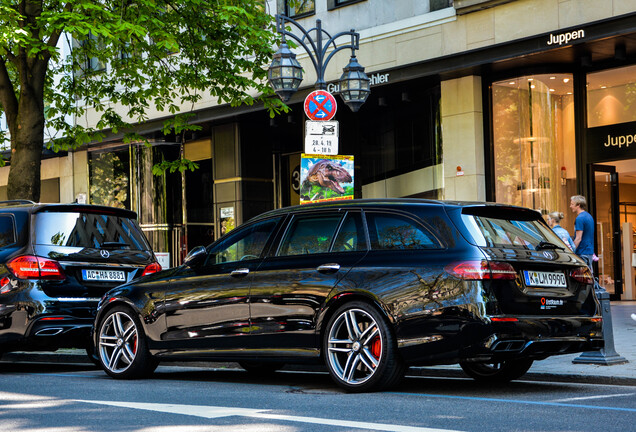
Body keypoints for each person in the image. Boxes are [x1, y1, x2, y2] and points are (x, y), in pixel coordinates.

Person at [570, 195, 595, 273]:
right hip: (589, 252)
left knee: (582, 279)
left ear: (578, 205)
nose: (570, 206)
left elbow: (578, 238)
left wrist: (571, 251)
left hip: (582, 252)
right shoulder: (589, 216)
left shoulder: (580, 218)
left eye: (572, 204)